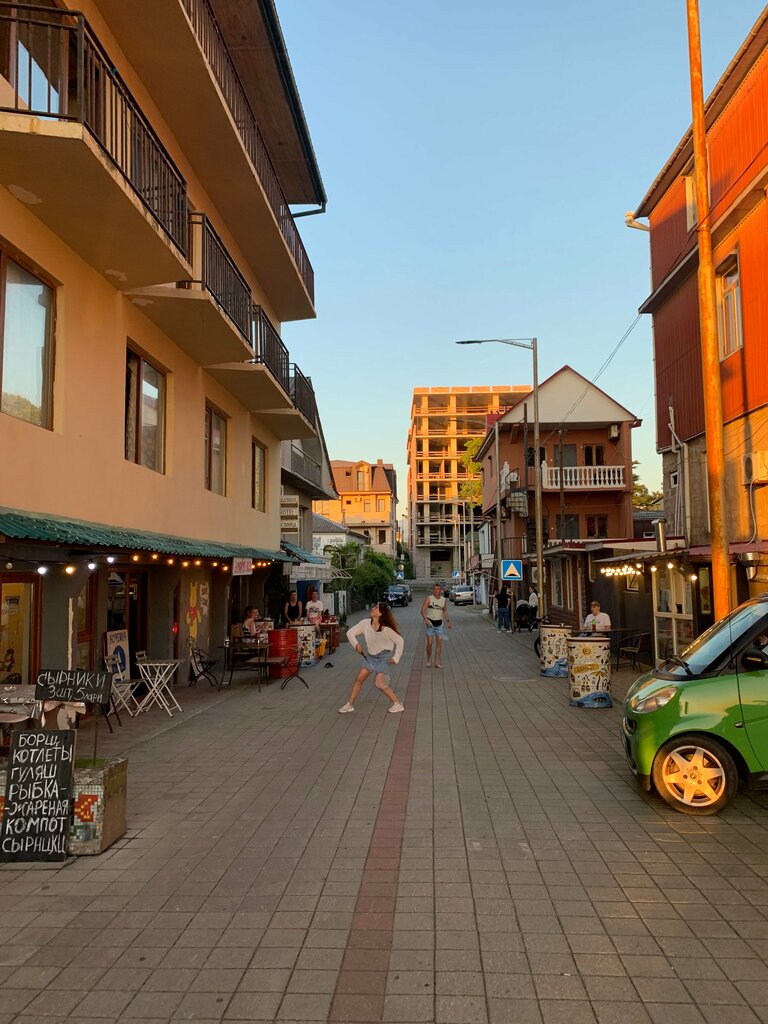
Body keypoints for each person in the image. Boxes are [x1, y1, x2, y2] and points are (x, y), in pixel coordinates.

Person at [339, 602, 405, 714]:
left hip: (384, 656)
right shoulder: (365, 623)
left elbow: (400, 641)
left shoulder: (386, 629)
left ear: (380, 614)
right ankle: (349, 705)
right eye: (373, 606)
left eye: (376, 608)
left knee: (379, 682)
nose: (373, 608)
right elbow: (350, 633)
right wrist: (356, 644)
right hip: (370, 657)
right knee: (359, 679)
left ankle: (398, 704)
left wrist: (396, 658)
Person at [421, 582, 452, 668]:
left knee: (439, 644)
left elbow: (444, 610)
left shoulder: (443, 600)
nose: (436, 591)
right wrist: (426, 620)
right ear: (433, 590)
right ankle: (428, 659)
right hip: (430, 624)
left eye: (438, 589)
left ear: (441, 590)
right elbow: (422, 610)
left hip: (439, 625)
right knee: (430, 644)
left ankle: (437, 662)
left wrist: (448, 621)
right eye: (434, 589)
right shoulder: (429, 599)